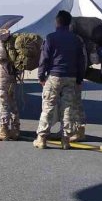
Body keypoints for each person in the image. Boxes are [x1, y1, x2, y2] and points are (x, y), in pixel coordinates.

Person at [33, 10, 84, 150]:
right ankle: (66, 140)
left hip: (54, 76)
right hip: (71, 77)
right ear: (69, 23)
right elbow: (81, 61)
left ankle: (41, 138)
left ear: (57, 22)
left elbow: (44, 59)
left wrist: (41, 76)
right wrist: (79, 78)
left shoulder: (50, 38)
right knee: (68, 109)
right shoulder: (76, 39)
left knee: (48, 106)